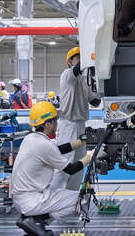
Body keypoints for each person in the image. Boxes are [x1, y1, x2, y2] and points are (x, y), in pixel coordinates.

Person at [12, 101, 106, 236]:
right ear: (47, 124)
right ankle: (35, 221)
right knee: (81, 198)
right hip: (32, 201)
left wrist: (80, 142)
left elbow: (57, 149)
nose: (56, 125)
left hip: (20, 199)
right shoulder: (45, 145)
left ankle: (33, 220)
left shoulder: (30, 139)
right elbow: (71, 169)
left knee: (63, 194)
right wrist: (91, 156)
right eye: (55, 121)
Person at [50, 47, 101, 192]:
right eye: (77, 56)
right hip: (68, 125)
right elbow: (80, 67)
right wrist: (91, 55)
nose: (80, 58)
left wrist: (101, 84)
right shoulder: (67, 75)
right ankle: (55, 195)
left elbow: (95, 101)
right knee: (65, 163)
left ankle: (71, 197)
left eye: (81, 56)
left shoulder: (84, 81)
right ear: (69, 62)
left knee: (79, 164)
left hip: (80, 126)